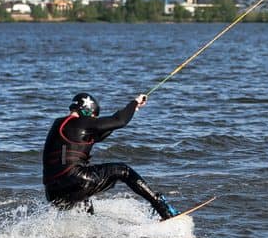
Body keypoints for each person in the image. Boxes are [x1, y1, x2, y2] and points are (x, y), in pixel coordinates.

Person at [42, 91, 179, 219]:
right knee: (123, 171)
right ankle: (163, 208)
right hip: (77, 179)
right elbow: (119, 121)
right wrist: (134, 103)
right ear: (87, 110)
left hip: (53, 191)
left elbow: (101, 132)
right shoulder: (82, 122)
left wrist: (132, 111)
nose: (93, 120)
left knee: (84, 205)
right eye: (93, 117)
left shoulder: (59, 124)